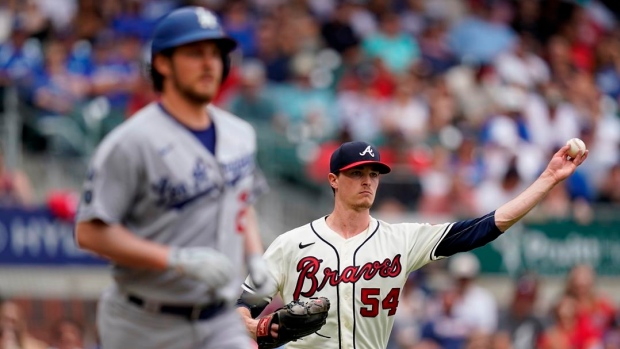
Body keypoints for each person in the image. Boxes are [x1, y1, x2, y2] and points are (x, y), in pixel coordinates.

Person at [237, 140, 588, 349]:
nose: (367, 182)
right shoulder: (291, 244)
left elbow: (485, 227)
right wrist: (256, 327)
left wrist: (548, 179)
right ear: (333, 180)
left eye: (373, 174)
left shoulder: (401, 239)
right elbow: (242, 309)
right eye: (356, 173)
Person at [75, 7, 271, 349]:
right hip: (144, 321)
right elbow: (90, 231)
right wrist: (174, 259)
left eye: (216, 53)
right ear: (163, 64)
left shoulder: (241, 134)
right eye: (195, 53)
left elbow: (242, 201)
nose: (210, 64)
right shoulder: (131, 141)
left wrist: (256, 256)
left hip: (221, 318)